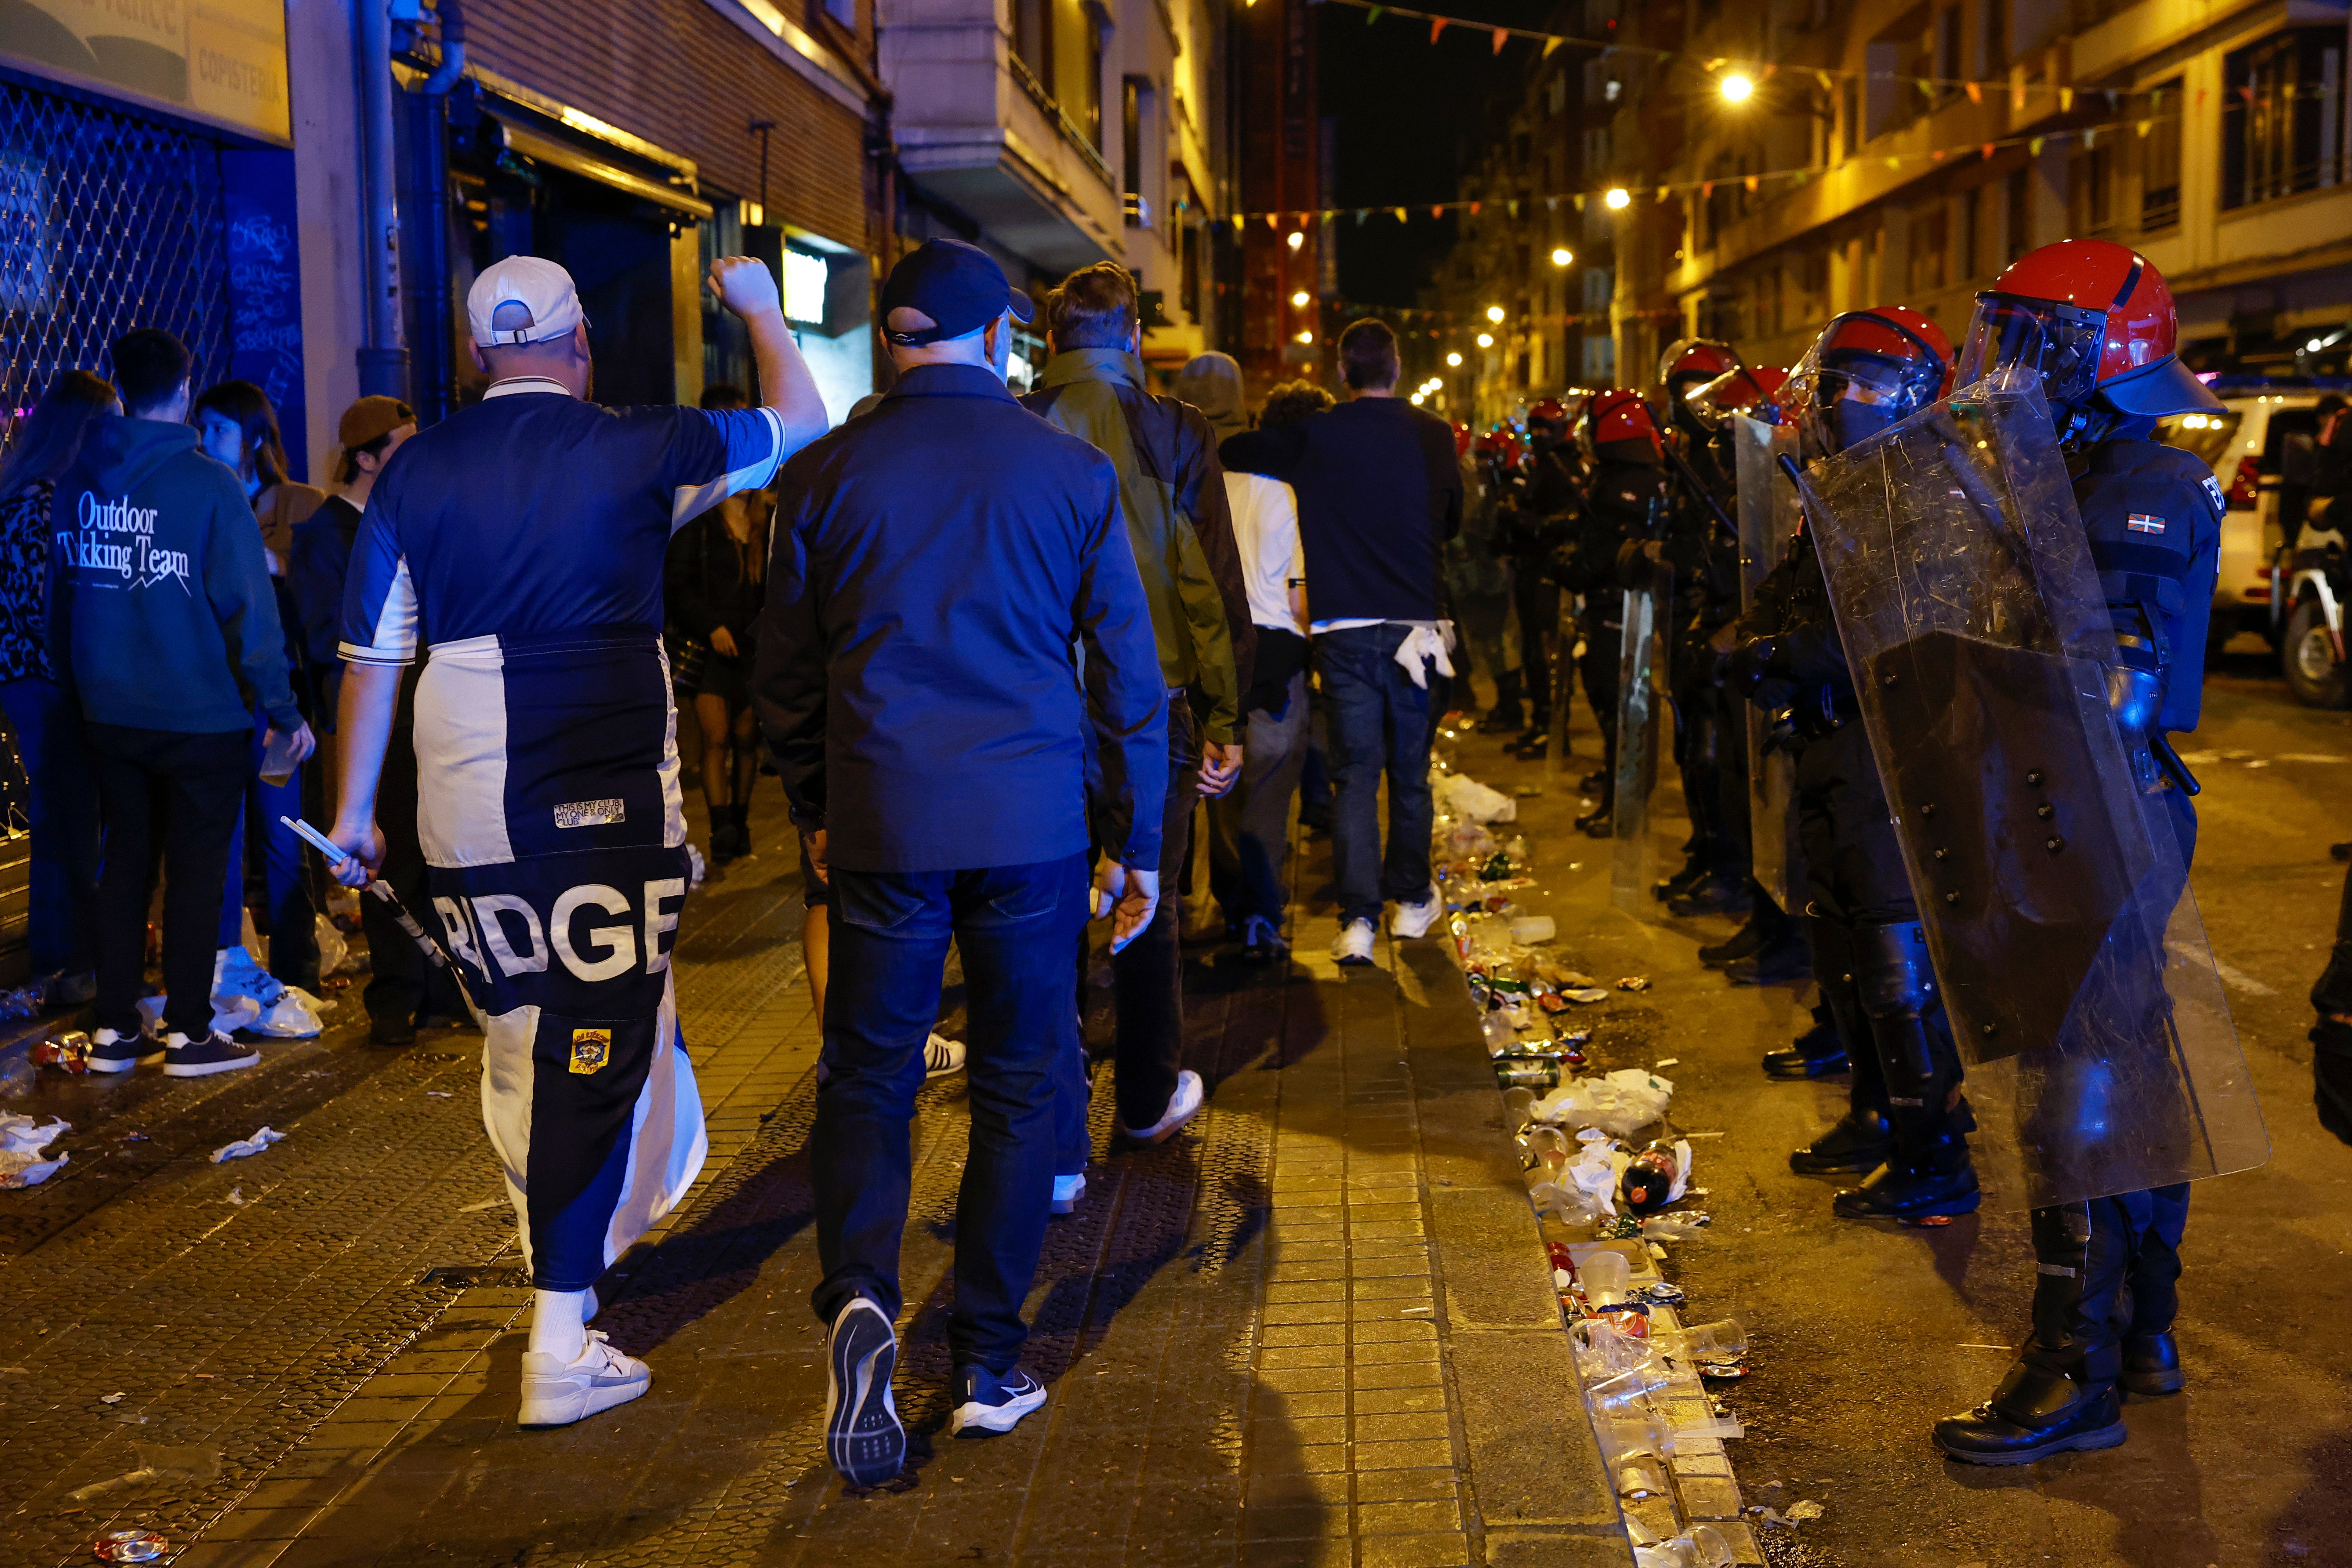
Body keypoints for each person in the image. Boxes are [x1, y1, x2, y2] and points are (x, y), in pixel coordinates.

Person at [327, 253, 826, 1428]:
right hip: (600, 767)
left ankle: (567, 1276)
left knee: (524, 1029)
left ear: (472, 354)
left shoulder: (416, 471)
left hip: (461, 774)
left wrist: (353, 818)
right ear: (581, 340)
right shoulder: (642, 448)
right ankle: (559, 1331)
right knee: (599, 1032)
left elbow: (370, 656)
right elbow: (800, 419)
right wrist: (755, 305)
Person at [755, 237, 1169, 1479]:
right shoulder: (1069, 470)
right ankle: (988, 1357)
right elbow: (1125, 676)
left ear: (892, 337)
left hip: (884, 816)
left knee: (866, 1072)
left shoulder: (820, 473)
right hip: (1033, 824)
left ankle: (864, 1294)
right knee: (1016, 1078)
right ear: (1003, 342)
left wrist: (816, 804)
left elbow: (785, 673)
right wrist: (1134, 834)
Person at [1931, 241, 2232, 1463]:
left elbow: (2110, 678)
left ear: (2092, 357)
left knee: (2081, 1094)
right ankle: (2142, 1332)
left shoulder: (2142, 480)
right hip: (2064, 809)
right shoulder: (2067, 472)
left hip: (2105, 811)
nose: (2000, 364)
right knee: (2123, 1073)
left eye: (2024, 341)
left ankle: (2072, 1372)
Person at [1728, 305, 1972, 1217]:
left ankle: (1935, 1150)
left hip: (1896, 750)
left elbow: (1882, 626)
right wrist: (1748, 646)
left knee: (1891, 960)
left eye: (1859, 383)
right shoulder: (1844, 486)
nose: (1840, 400)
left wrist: (1783, 654)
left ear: (1910, 393)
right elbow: (1797, 600)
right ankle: (1878, 1115)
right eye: (1834, 382)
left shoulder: (1932, 487)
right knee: (1835, 938)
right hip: (1831, 740)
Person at [1022, 261, 1252, 1142]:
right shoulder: (1177, 427)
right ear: (1130, 339)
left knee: (1049, 894)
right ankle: (1149, 1092)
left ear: (1051, 339)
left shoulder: (1023, 423)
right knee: (1147, 889)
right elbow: (1212, 583)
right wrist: (1227, 720)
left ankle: (1057, 1087)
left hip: (1044, 706)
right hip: (1157, 704)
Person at [52, 328, 314, 1076]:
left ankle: (113, 1029)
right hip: (199, 714)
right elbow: (249, 613)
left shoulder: (80, 479)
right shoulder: (208, 485)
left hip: (108, 709)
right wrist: (286, 711)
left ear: (122, 383)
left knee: (125, 861)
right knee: (197, 870)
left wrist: (78, 688)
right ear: (184, 383)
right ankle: (190, 1032)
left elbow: (60, 596)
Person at [1245, 319, 1461, 964]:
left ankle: (1359, 922)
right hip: (1414, 632)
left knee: (1354, 779)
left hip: (1342, 634)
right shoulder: (1431, 434)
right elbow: (1452, 522)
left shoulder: (1316, 435)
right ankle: (1412, 904)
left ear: (1343, 373)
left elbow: (1240, 453)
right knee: (1410, 777)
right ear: (1397, 367)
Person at [289, 394, 459, 1046]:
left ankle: (444, 987)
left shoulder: (417, 518)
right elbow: (330, 640)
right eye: (402, 445)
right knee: (385, 854)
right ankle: (396, 996)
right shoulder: (326, 534)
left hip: (431, 708)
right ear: (367, 459)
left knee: (438, 848)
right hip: (375, 720)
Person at [193, 379, 328, 1002]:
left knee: (283, 837)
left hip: (279, 701)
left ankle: (298, 975)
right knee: (224, 839)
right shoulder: (197, 498)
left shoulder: (299, 503)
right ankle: (227, 975)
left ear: (251, 435)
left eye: (218, 428)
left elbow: (313, 584)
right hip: (218, 700)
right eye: (202, 427)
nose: (207, 439)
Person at [0, 370, 115, 1006]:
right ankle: (68, 963)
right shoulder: (49, 503)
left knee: (59, 816)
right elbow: (50, 606)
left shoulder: (21, 494)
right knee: (69, 821)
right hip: (49, 679)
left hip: (22, 676)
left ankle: (62, 961)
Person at [1212, 379, 1328, 961]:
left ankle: (1230, 907)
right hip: (1277, 656)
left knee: (1220, 792)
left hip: (1219, 656)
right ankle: (1262, 913)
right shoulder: (1289, 497)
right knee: (1269, 795)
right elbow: (1300, 598)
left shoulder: (1212, 490)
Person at [1550, 390, 1668, 838]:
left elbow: (1606, 553)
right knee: (1611, 705)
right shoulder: (1631, 476)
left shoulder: (1625, 485)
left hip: (1616, 608)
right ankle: (1617, 789)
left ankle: (1623, 806)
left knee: (1618, 706)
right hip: (1612, 606)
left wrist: (1571, 568)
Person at [1496, 398, 1584, 759]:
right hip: (1533, 568)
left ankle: (1552, 729)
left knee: (1547, 654)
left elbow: (1566, 522)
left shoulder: (1563, 467)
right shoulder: (1545, 466)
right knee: (1534, 650)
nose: (1540, 435)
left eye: (1547, 428)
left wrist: (1521, 520)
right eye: (1535, 427)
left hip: (1549, 572)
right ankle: (1542, 724)